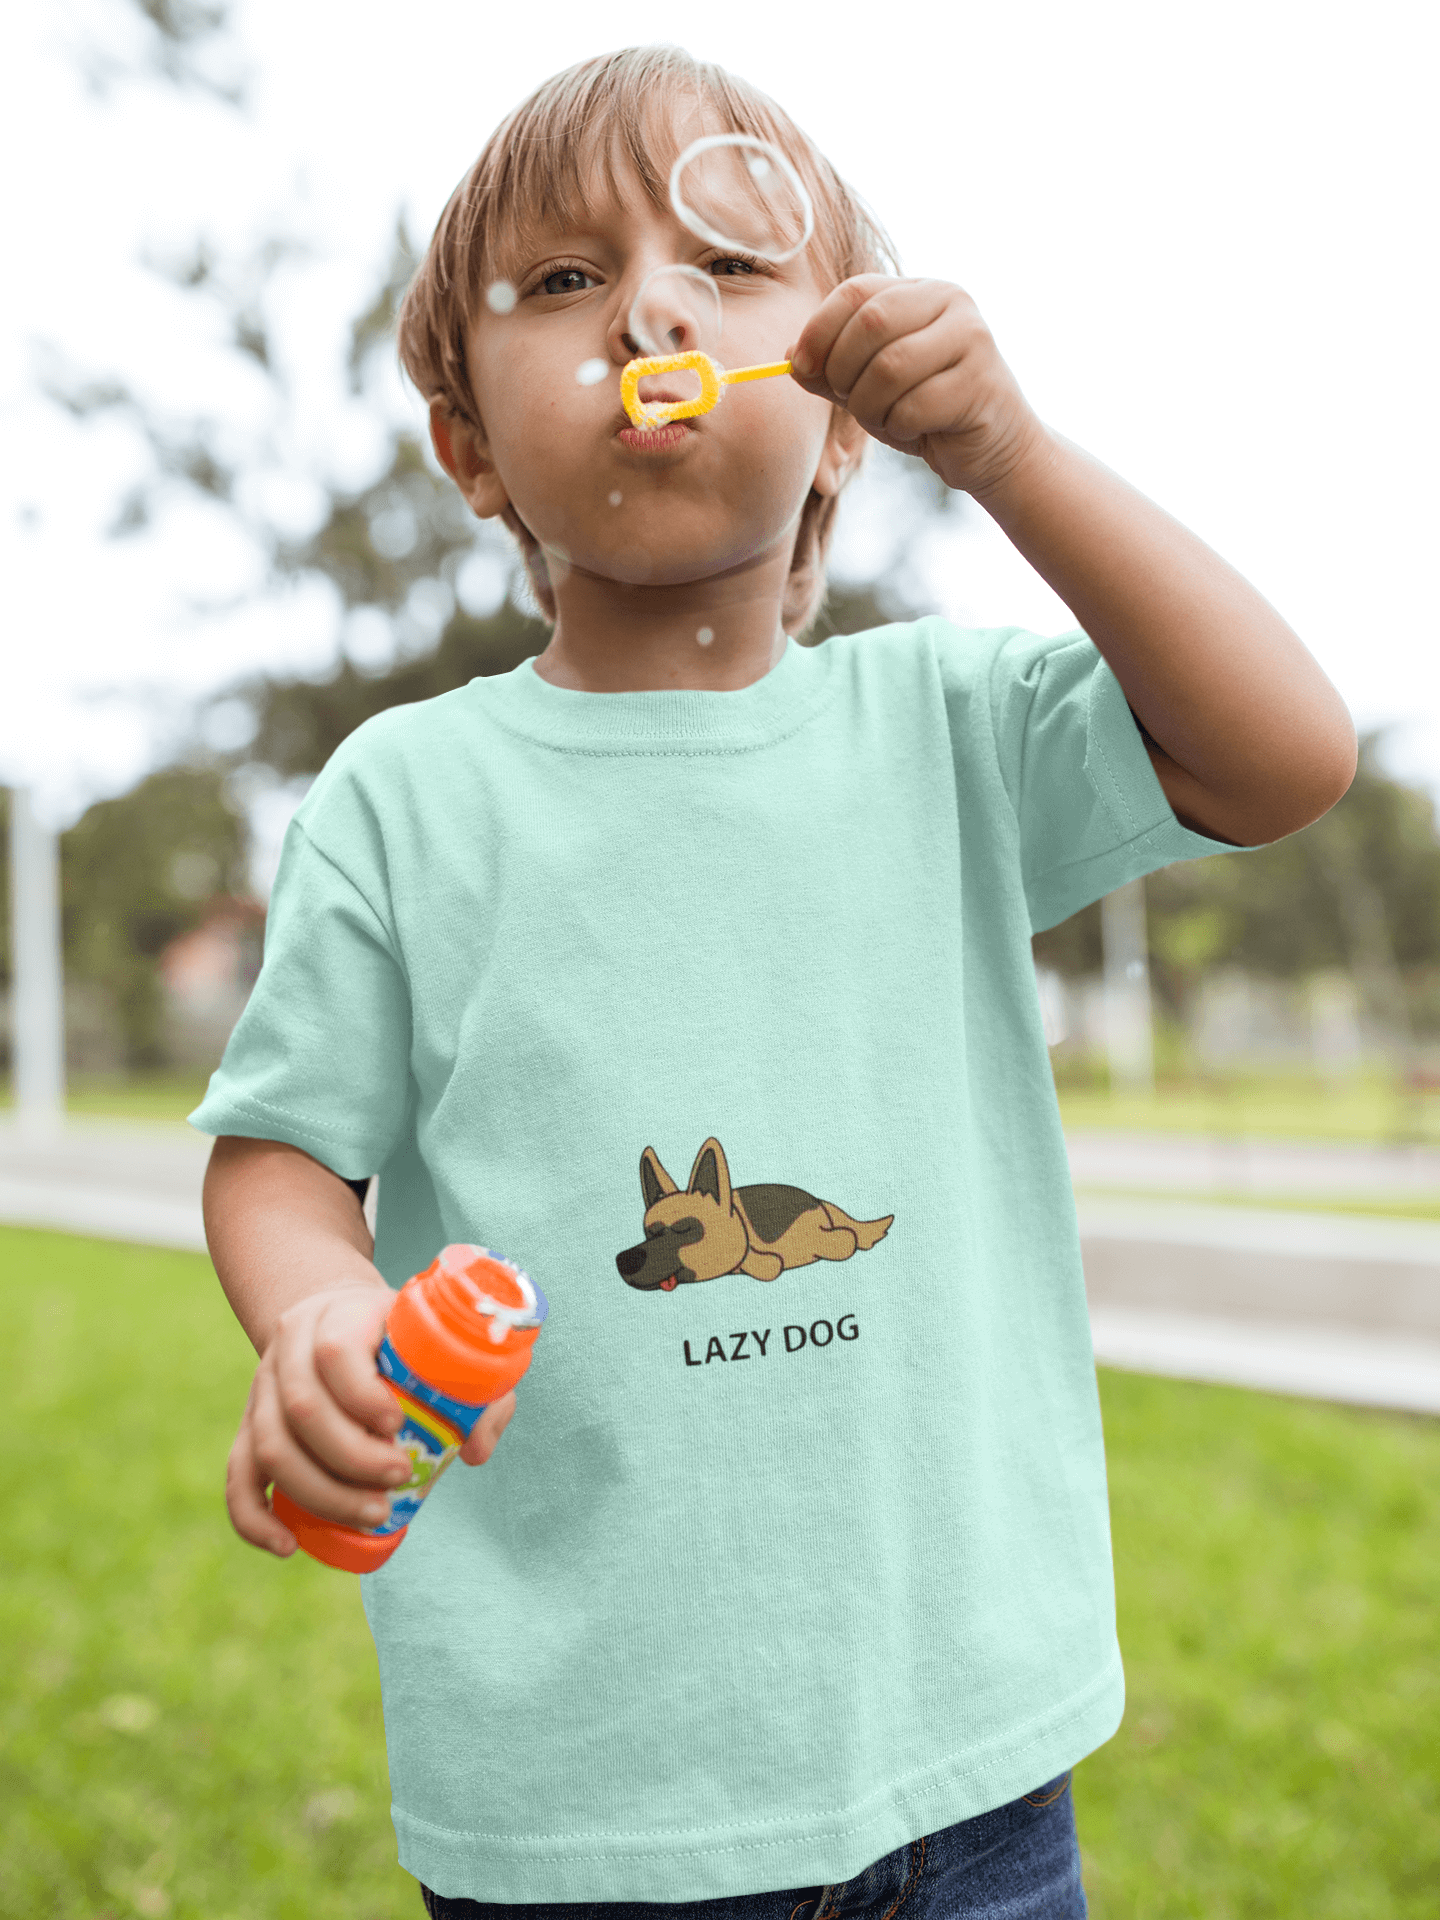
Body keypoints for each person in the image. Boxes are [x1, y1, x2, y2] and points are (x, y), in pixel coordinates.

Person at [195, 44, 1356, 1920]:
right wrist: (319, 1314)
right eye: (565, 282)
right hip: (580, 1804)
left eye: (728, 265)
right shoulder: (409, 800)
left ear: (837, 411)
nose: (651, 303)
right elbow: (279, 1154)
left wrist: (1017, 457)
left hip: (971, 1765)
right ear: (470, 445)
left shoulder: (949, 726)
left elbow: (1283, 756)